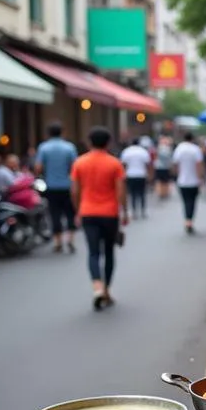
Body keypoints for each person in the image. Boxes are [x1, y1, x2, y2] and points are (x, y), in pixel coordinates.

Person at [70, 126, 127, 311]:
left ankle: (97, 286)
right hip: (109, 213)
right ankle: (107, 290)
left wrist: (78, 210)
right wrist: (124, 212)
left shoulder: (79, 162)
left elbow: (75, 191)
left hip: (88, 212)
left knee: (93, 252)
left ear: (89, 142)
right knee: (109, 252)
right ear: (108, 142)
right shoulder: (114, 163)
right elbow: (120, 191)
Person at [35, 121, 79, 254]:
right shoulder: (69, 147)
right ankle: (70, 239)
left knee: (54, 214)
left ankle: (58, 241)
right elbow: (75, 167)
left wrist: (45, 173)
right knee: (70, 213)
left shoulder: (44, 148)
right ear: (63, 132)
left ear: (48, 133)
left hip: (51, 186)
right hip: (67, 185)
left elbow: (38, 167)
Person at [172, 131, 204, 233]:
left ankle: (187, 220)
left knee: (185, 201)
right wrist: (200, 178)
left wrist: (176, 175)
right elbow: (199, 165)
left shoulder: (179, 149)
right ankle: (190, 220)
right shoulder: (195, 149)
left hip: (182, 180)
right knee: (192, 201)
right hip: (193, 180)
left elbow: (175, 164)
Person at [120, 137, 153, 220]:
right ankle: (143, 210)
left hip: (130, 174)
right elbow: (148, 164)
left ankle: (134, 211)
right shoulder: (143, 151)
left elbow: (123, 164)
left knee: (133, 194)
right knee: (142, 193)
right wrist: (150, 175)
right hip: (141, 174)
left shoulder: (127, 151)